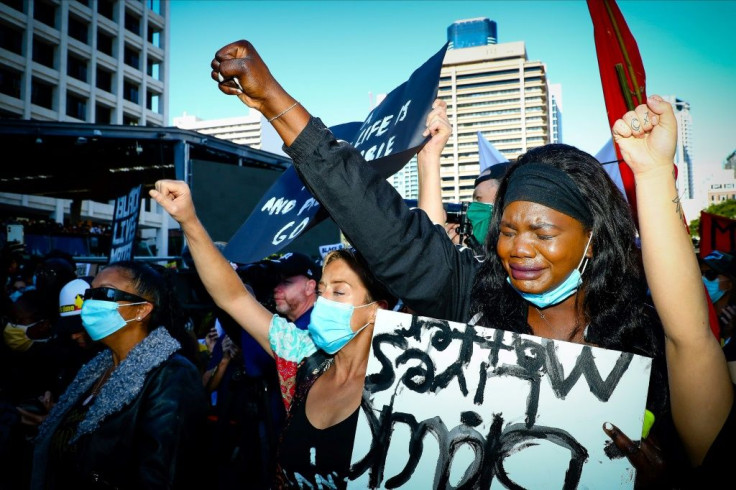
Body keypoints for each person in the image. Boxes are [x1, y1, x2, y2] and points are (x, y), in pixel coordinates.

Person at [207, 39, 735, 484]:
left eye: (542, 232)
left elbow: (692, 339)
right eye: (507, 230)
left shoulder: (637, 347)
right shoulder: (469, 299)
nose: (519, 248)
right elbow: (375, 215)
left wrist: (653, 173)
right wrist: (275, 100)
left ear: (592, 240)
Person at [148, 179, 396, 489]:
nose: (325, 302)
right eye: (322, 290)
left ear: (377, 308)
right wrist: (190, 221)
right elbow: (234, 297)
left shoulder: (401, 385)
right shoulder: (303, 355)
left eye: (339, 292)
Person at [29, 260, 209, 489]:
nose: (89, 303)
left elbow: (162, 475)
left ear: (142, 309)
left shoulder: (173, 376)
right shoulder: (97, 369)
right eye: (89, 293)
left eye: (103, 293)